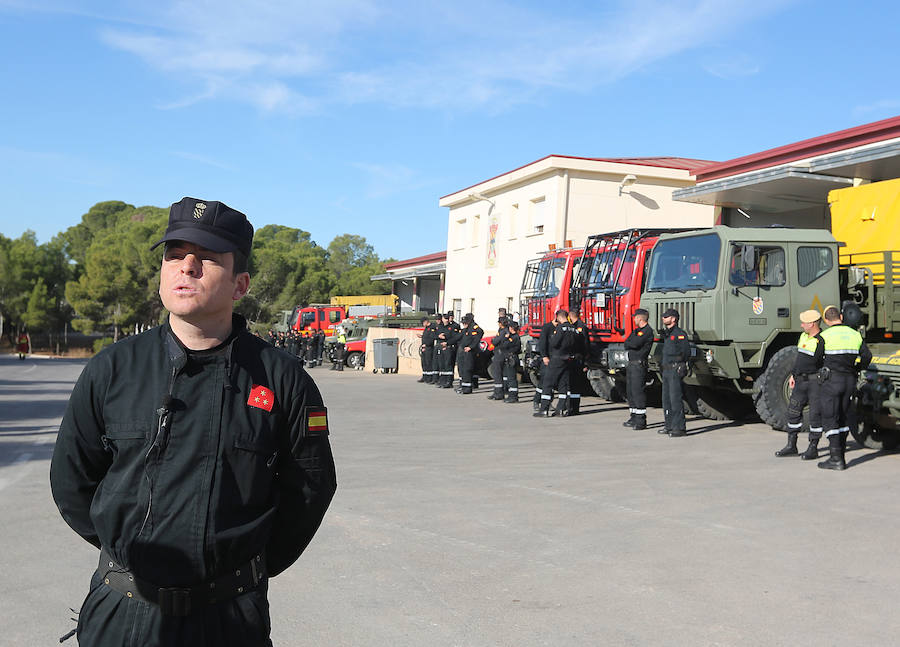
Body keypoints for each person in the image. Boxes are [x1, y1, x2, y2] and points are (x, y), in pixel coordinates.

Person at [50, 197, 337, 646]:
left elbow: (309, 490)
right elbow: (72, 483)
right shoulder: (112, 370)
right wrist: (132, 553)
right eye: (174, 255)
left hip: (227, 621)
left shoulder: (283, 380)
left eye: (206, 257)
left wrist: (240, 568)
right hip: (121, 614)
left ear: (240, 284)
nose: (186, 267)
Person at [817, 305, 872, 470]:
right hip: (849, 380)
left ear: (826, 320)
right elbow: (867, 356)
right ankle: (840, 456)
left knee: (829, 417)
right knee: (843, 416)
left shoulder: (824, 335)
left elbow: (816, 358)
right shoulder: (855, 334)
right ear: (841, 317)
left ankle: (836, 458)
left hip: (831, 381)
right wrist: (857, 368)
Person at [774, 309, 825, 458]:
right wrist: (793, 375)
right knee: (793, 412)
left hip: (814, 382)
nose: (802, 325)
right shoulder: (803, 336)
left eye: (804, 322)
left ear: (813, 324)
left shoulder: (821, 341)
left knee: (815, 415)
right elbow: (799, 359)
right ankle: (791, 445)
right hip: (800, 381)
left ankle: (813, 447)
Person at [534, 309, 577, 418]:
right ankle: (561, 409)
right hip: (567, 359)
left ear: (558, 317)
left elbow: (554, 343)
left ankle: (544, 409)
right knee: (563, 385)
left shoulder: (560, 328)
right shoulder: (573, 329)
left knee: (548, 383)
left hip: (557, 358)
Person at [659, 308, 691, 436]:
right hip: (666, 370)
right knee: (666, 399)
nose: (663, 318)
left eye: (666, 317)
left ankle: (679, 428)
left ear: (673, 319)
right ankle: (669, 425)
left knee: (675, 399)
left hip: (674, 369)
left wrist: (680, 365)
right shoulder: (667, 334)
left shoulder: (679, 334)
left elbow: (686, 352)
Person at [622, 309, 654, 430]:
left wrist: (631, 342)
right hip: (631, 364)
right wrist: (631, 342)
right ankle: (633, 416)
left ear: (640, 318)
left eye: (635, 317)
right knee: (630, 391)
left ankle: (641, 420)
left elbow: (634, 344)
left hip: (639, 365)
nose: (634, 319)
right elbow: (627, 343)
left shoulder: (647, 331)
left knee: (637, 392)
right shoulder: (637, 331)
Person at [450, 313, 483, 394]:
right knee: (462, 369)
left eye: (465, 323)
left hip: (470, 353)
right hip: (463, 352)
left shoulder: (474, 327)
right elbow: (457, 337)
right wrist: (447, 343)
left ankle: (467, 388)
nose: (463, 324)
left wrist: (471, 347)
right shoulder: (465, 329)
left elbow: (478, 336)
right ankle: (463, 386)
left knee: (467, 370)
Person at [567, 307, 590, 416]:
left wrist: (585, 361)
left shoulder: (581, 327)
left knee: (575, 384)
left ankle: (574, 408)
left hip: (579, 359)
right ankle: (571, 406)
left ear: (571, 316)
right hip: (574, 358)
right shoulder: (573, 326)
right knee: (572, 384)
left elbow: (585, 344)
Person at [532, 318, 556, 411]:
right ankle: (536, 401)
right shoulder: (547, 327)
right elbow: (542, 343)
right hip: (546, 359)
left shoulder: (559, 328)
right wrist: (544, 356)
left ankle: (548, 402)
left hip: (554, 359)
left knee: (552, 384)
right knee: (543, 382)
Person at [500, 321, 522, 403]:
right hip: (511, 358)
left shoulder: (513, 337)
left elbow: (504, 345)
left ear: (511, 328)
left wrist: (506, 338)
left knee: (512, 378)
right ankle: (511, 395)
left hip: (512, 358)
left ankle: (513, 396)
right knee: (510, 377)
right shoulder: (514, 336)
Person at [488, 317, 509, 400]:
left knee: (497, 373)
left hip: (500, 354)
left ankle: (499, 393)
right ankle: (498, 392)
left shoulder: (504, 331)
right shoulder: (503, 330)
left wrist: (494, 340)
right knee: (500, 374)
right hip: (501, 353)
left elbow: (496, 341)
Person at [419, 315, 434, 383]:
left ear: (425, 322)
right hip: (424, 348)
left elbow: (431, 339)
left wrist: (426, 344)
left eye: (423, 323)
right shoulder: (426, 328)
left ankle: (429, 377)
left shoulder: (431, 328)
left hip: (429, 348)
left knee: (428, 363)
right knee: (424, 363)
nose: (422, 325)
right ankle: (425, 376)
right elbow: (426, 337)